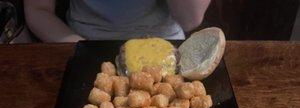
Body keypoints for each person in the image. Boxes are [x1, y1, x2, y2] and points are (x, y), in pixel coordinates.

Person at [24, 0, 211, 42]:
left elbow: (190, 19)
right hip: (80, 43)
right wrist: (82, 51)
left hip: (166, 47)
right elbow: (37, 9)